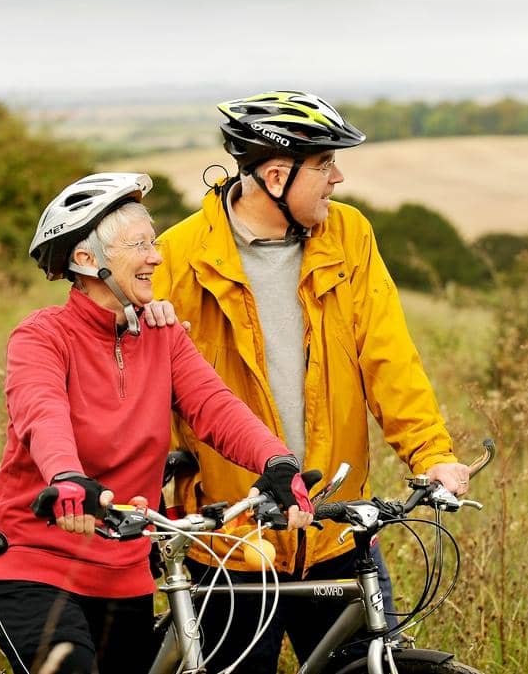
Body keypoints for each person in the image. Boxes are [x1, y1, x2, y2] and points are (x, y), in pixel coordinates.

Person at [151, 91, 472, 672]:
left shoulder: (349, 236)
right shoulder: (176, 257)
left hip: (337, 534)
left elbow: (389, 357)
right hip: (233, 545)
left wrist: (431, 454)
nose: (338, 177)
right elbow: (145, 396)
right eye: (324, 165)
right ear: (276, 174)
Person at [0, 172, 313, 674]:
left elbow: (215, 407)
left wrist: (277, 460)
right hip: (36, 565)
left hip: (124, 572)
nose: (156, 256)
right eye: (140, 245)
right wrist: (67, 478)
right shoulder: (42, 336)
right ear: (86, 260)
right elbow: (40, 412)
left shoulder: (163, 336)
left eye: (153, 242)